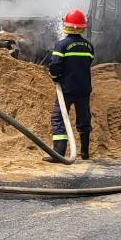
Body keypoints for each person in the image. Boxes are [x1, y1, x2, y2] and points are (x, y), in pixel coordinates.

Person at [43, 9, 95, 162]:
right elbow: (88, 63)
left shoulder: (62, 45)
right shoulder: (89, 46)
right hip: (84, 89)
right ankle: (85, 153)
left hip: (66, 89)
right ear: (82, 27)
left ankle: (59, 153)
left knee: (58, 118)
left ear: (66, 26)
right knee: (84, 119)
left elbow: (54, 66)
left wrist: (55, 77)